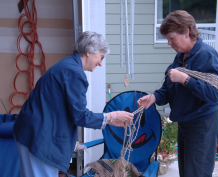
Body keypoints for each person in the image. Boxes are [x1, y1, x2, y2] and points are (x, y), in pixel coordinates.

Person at [13, 31, 134, 177]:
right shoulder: (74, 72)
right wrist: (111, 117)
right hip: (38, 137)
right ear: (89, 52)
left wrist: (110, 120)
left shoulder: (67, 65)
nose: (101, 63)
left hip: (31, 132)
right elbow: (80, 116)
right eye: (101, 57)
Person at [137, 10, 218, 177]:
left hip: (203, 124)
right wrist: (154, 97)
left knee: (197, 173)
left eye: (171, 38)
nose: (169, 42)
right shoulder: (181, 57)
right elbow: (169, 89)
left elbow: (214, 93)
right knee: (186, 172)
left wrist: (185, 79)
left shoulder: (206, 55)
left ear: (186, 32)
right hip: (186, 123)